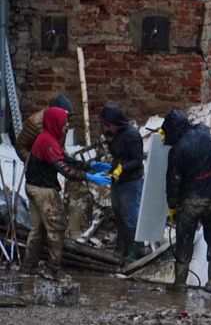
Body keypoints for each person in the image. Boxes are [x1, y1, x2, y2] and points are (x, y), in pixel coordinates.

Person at [21, 106, 110, 279]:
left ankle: (28, 266)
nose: (67, 126)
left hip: (33, 187)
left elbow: (65, 160)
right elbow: (64, 169)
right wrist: (89, 176)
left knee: (38, 230)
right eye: (64, 122)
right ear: (55, 123)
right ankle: (53, 270)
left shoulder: (49, 138)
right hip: (44, 191)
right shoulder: (47, 142)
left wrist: (89, 165)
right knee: (56, 227)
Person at [162, 108, 211, 298]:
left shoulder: (177, 150)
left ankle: (180, 283)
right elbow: (200, 127)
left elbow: (173, 181)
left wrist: (172, 205)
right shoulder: (203, 133)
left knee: (185, 239)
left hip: (192, 200)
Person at [99, 105, 146, 263]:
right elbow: (116, 153)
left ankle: (134, 250)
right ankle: (122, 247)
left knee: (130, 216)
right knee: (118, 214)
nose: (105, 128)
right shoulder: (114, 134)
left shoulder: (131, 135)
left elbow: (138, 160)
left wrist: (122, 168)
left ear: (115, 123)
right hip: (118, 180)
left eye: (107, 125)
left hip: (131, 180)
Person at [15, 95, 74, 163]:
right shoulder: (34, 123)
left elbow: (60, 146)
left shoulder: (61, 123)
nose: (67, 122)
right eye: (65, 117)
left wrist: (69, 161)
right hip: (36, 165)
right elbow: (20, 146)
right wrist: (33, 162)